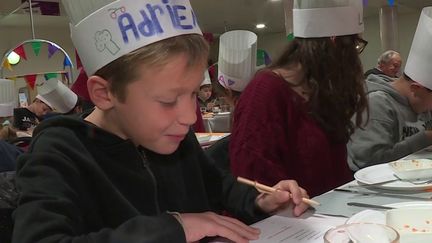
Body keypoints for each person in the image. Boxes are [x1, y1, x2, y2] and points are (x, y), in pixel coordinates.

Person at [12, 0, 310, 242]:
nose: (188, 116)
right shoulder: (59, 151)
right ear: (104, 93)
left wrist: (259, 201)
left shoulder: (174, 135)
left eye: (193, 93)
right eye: (168, 100)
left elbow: (218, 186)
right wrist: (174, 228)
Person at [229, 0, 368, 197]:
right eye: (354, 45)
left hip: (331, 213)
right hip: (285, 223)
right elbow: (251, 180)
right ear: (334, 41)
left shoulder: (320, 90)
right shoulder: (265, 91)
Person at [348, 7, 432, 171]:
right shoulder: (376, 104)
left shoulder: (422, 102)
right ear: (416, 88)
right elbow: (368, 162)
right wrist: (426, 137)